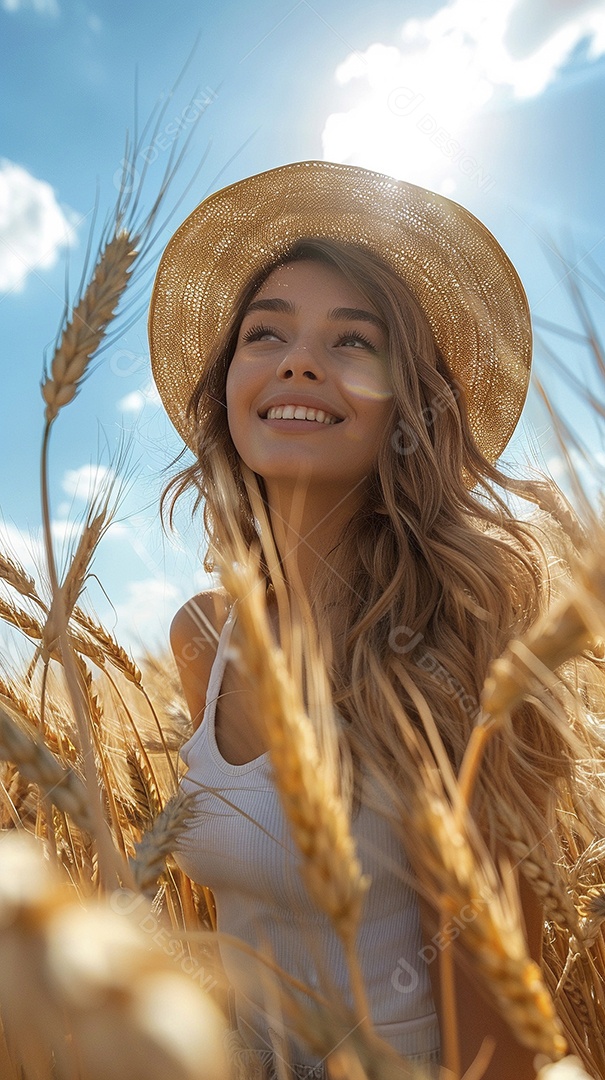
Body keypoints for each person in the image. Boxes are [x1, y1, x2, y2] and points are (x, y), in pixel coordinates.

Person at [148, 161, 601, 1079]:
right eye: (263, 333)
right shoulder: (204, 637)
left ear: (414, 407)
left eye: (353, 342)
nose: (297, 359)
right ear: (227, 385)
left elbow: (494, 1031)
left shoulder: (466, 650)